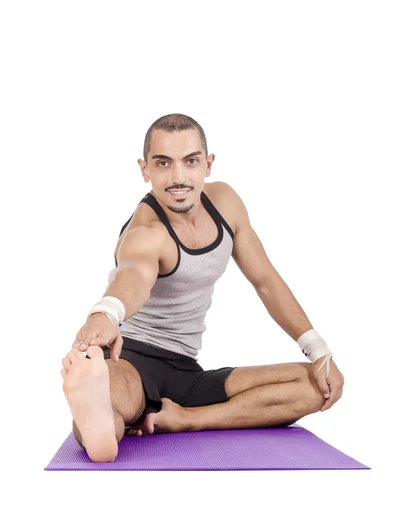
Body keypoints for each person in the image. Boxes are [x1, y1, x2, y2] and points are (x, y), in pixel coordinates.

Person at [60, 113, 345, 463]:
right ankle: (97, 420)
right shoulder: (146, 232)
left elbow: (266, 281)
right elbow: (133, 276)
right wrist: (107, 311)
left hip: (186, 370)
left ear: (208, 164)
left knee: (318, 385)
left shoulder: (225, 204)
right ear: (144, 169)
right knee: (111, 402)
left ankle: (184, 419)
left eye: (190, 161)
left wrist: (318, 351)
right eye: (163, 163)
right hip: (130, 358)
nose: (178, 177)